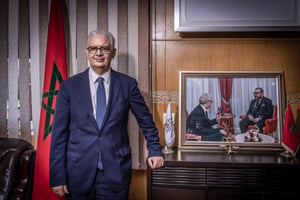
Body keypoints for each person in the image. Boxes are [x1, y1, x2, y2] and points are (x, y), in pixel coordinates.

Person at [49, 30, 164, 200]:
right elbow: (59, 134)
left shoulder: (128, 85)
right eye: (93, 48)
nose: (99, 53)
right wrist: (57, 176)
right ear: (87, 52)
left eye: (104, 48)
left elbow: (146, 122)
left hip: (115, 173)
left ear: (113, 52)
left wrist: (155, 150)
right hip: (78, 173)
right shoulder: (69, 87)